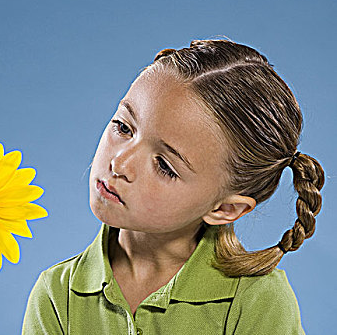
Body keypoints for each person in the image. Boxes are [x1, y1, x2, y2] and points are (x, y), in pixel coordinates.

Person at [22, 39, 324, 334]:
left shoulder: (258, 302)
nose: (119, 163)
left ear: (225, 208)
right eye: (123, 127)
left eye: (164, 166)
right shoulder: (56, 294)